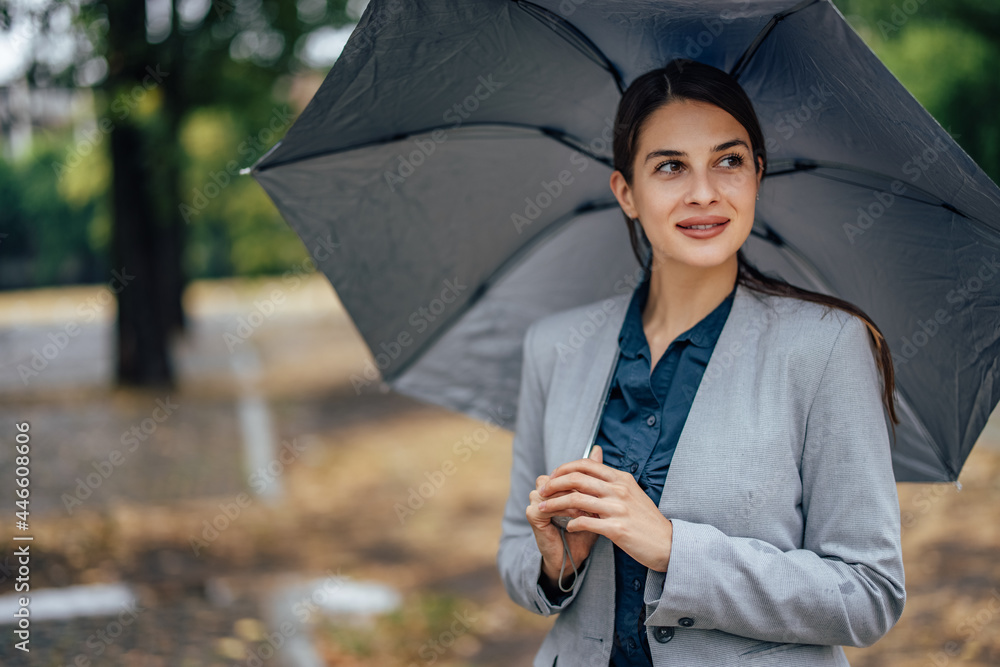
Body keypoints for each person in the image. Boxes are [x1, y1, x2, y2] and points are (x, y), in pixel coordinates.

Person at [496, 59, 906, 667]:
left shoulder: (827, 346)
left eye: (729, 160)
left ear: (757, 175)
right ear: (626, 193)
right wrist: (559, 564)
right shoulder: (556, 346)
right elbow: (512, 550)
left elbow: (868, 595)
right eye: (670, 166)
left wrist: (674, 550)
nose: (704, 192)